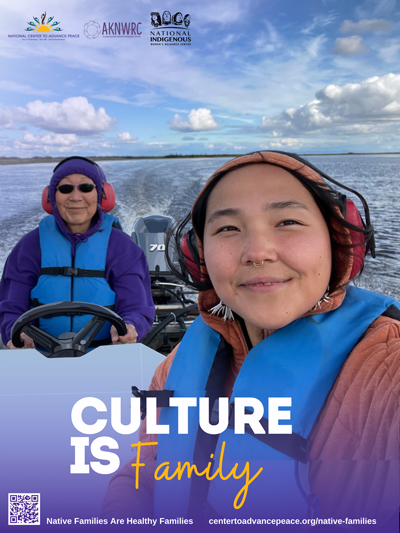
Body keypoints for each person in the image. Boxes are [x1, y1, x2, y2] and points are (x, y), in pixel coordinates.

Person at [101, 151, 399, 526]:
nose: (257, 253)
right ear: (199, 256)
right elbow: (145, 470)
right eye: (227, 229)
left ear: (336, 242)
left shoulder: (383, 364)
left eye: (288, 221)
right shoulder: (175, 367)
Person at [0, 156, 155, 350]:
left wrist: (131, 326)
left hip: (106, 359)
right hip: (39, 359)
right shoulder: (29, 247)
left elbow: (136, 307)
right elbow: (11, 307)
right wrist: (16, 333)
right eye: (65, 189)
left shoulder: (123, 248)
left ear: (101, 195)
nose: (75, 197)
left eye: (86, 187)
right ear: (51, 197)